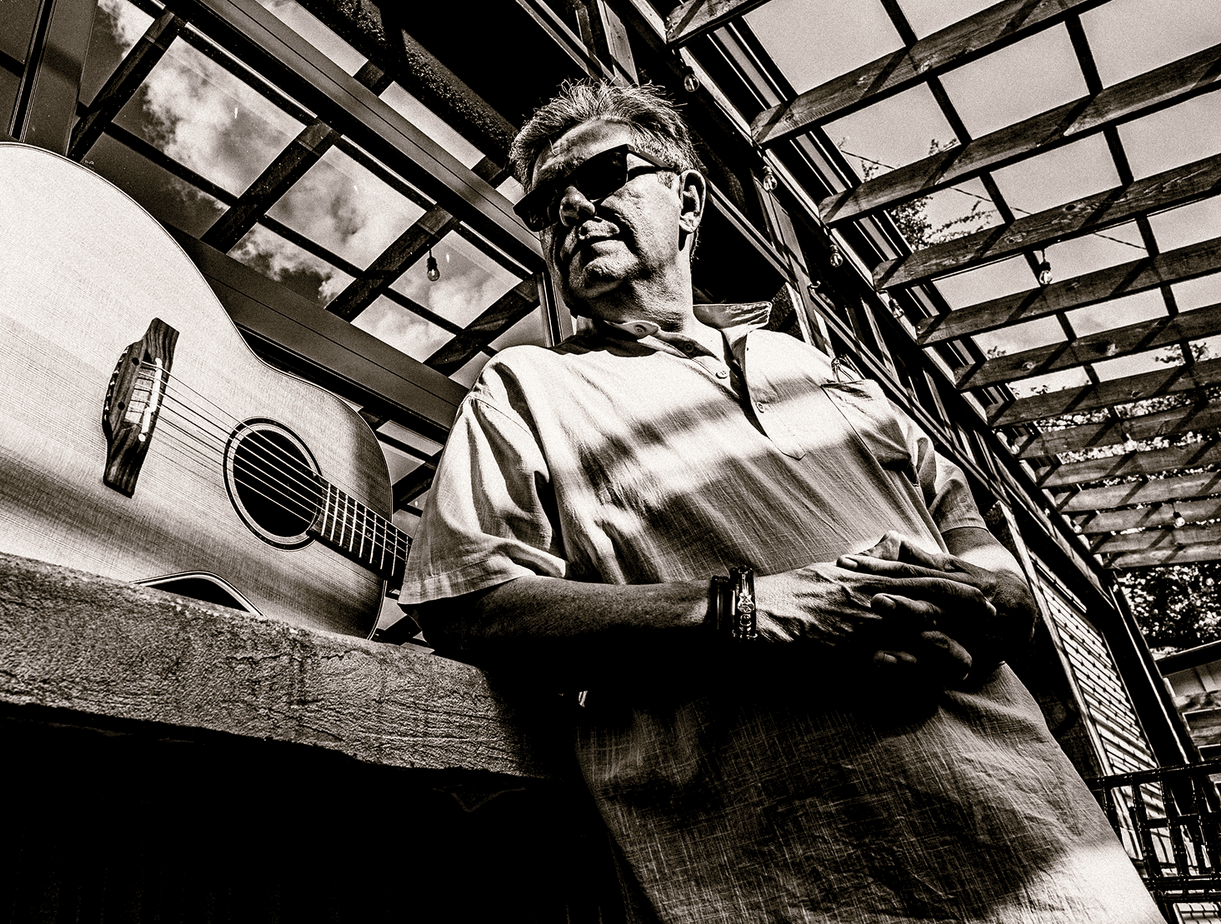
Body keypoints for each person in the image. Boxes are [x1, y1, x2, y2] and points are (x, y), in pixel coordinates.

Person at [397, 79, 1163, 924]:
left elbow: (973, 534)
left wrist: (996, 599)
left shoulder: (822, 372)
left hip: (1042, 847)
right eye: (547, 206)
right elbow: (471, 603)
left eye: (604, 174)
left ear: (689, 202)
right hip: (775, 877)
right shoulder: (526, 386)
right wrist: (747, 610)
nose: (571, 207)